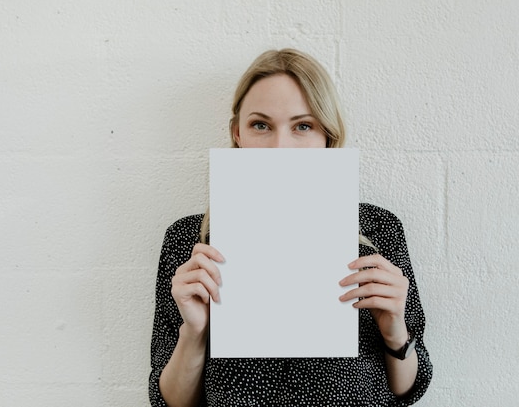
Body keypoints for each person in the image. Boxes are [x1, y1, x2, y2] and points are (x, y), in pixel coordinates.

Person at [149, 48, 432, 406]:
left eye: (303, 126)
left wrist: (394, 329)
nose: (280, 147)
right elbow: (170, 402)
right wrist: (195, 331)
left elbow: (410, 390)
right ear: (238, 133)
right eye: (261, 125)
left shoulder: (378, 230)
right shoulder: (190, 242)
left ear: (327, 136)